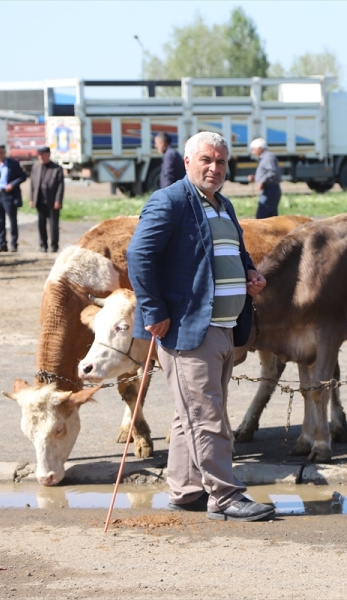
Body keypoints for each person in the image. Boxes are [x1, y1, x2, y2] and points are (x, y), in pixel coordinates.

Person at [127, 131, 274, 522]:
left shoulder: (222, 204)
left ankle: (185, 489)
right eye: (207, 160)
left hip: (224, 326)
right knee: (207, 416)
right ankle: (225, 497)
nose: (214, 168)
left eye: (221, 162)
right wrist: (154, 310)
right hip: (189, 329)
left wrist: (249, 273)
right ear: (188, 161)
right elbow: (139, 254)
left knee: (189, 414)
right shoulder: (170, 200)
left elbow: (233, 252)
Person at [29, 146, 64, 252]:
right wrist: (31, 199)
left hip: (52, 201)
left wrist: (58, 200)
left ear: (48, 155)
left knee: (53, 225)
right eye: (39, 155)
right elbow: (32, 185)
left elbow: (60, 186)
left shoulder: (56, 168)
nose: (40, 157)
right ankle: (43, 245)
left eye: (42, 155)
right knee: (41, 224)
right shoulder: (36, 167)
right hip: (40, 201)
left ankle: (54, 245)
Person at [0, 145, 27, 252]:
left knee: (12, 220)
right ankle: (2, 243)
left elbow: (23, 176)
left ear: (5, 152)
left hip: (9, 195)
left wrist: (12, 184)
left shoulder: (13, 164)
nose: (0, 155)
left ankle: (14, 243)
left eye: (1, 152)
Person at [248, 138, 282, 219]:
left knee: (262, 216)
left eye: (254, 149)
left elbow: (272, 172)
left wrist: (261, 181)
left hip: (270, 190)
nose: (253, 152)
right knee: (271, 216)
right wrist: (256, 178)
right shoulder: (265, 158)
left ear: (260, 148)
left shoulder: (268, 157)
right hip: (268, 189)